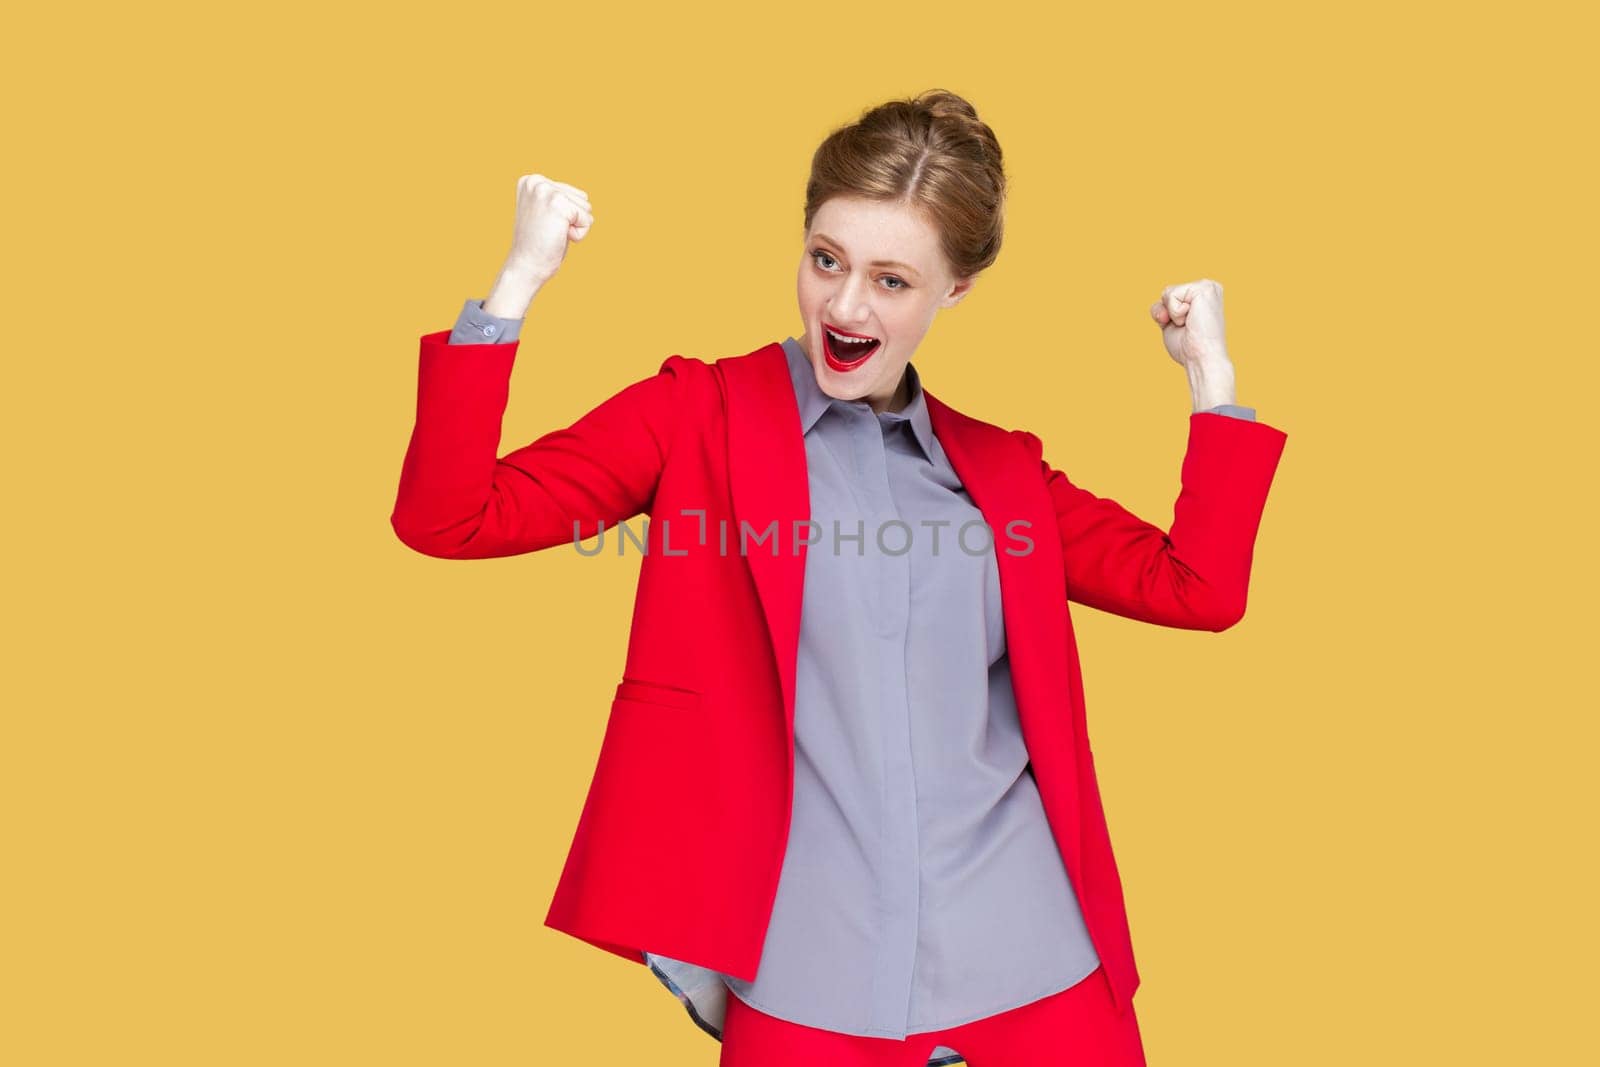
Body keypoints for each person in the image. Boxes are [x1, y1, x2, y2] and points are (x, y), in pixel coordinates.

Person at [391, 90, 1288, 1067]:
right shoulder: (698, 417)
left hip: (1033, 962)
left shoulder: (1003, 472)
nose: (845, 306)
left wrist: (1211, 380)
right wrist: (517, 282)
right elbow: (451, 517)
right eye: (826, 260)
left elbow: (1196, 586)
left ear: (953, 291)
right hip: (806, 972)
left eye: (891, 280)